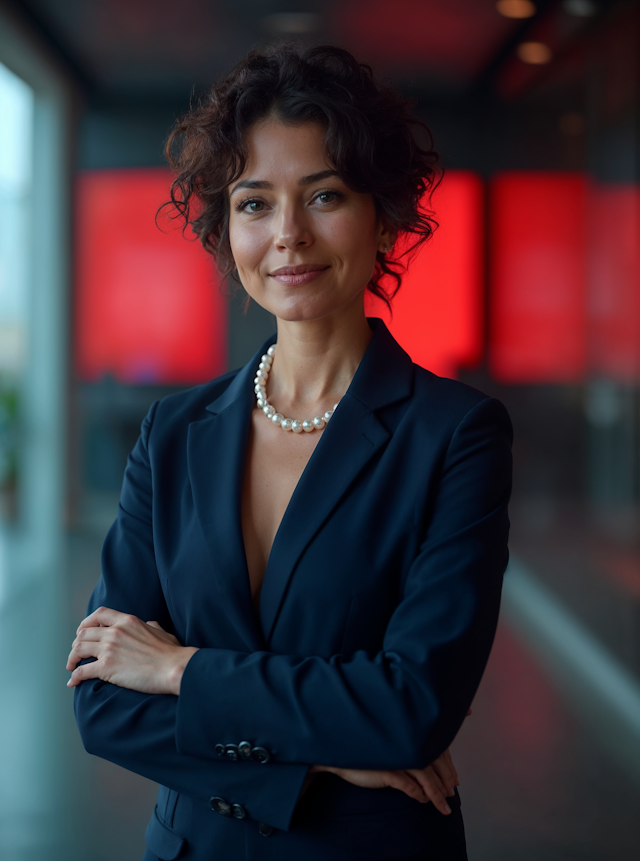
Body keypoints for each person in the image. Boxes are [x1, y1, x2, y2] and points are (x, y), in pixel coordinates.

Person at [67, 43, 512, 861]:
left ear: (383, 217)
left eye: (325, 195)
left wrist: (180, 670)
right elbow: (102, 700)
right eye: (254, 203)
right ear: (225, 226)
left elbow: (413, 706)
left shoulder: (455, 433)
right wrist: (317, 760)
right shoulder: (173, 432)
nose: (289, 236)